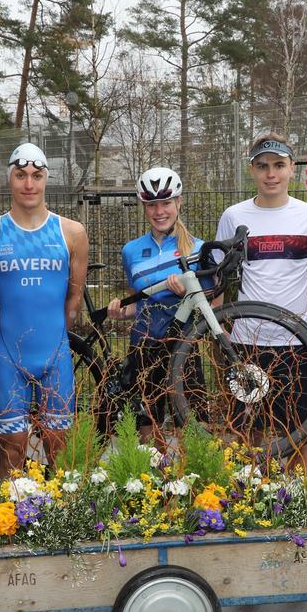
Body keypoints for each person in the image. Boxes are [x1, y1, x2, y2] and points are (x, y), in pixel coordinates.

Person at [0, 143, 89, 477]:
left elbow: (73, 299)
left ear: (46, 179)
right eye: (20, 175)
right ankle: (8, 522)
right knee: (12, 449)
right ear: (9, 179)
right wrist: (10, 334)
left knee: (60, 450)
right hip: (10, 356)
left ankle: (66, 525)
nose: (29, 183)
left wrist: (52, 334)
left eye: (37, 176)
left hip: (56, 354)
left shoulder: (72, 232)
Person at [216, 134, 307, 466]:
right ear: (251, 170)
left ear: (292, 169)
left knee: (297, 434)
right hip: (245, 345)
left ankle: (299, 507)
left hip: (297, 345)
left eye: (279, 166)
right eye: (263, 166)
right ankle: (243, 504)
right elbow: (218, 277)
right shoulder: (233, 216)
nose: (271, 174)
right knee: (243, 434)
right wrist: (218, 327)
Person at [105, 166, 211, 443]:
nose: (159, 211)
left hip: (183, 345)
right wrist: (119, 311)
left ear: (179, 202)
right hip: (144, 344)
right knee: (146, 431)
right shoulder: (131, 250)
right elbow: (137, 304)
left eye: (165, 202)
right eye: (152, 204)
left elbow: (212, 306)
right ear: (144, 206)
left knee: (188, 429)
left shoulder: (199, 249)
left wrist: (185, 293)